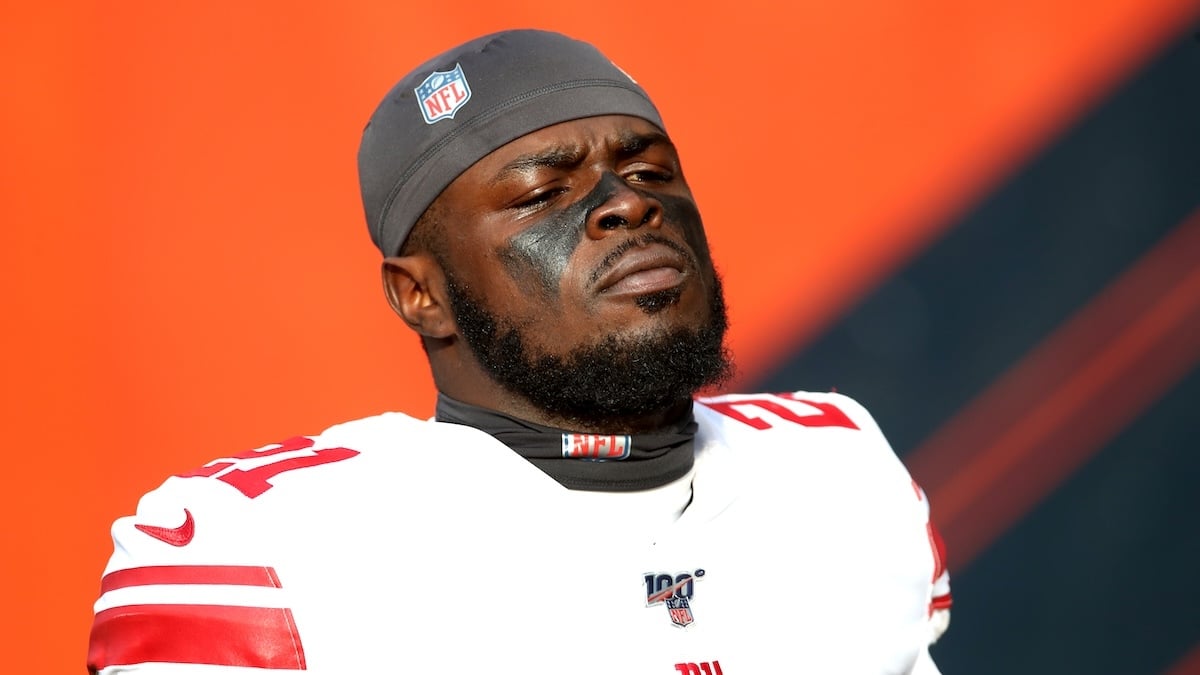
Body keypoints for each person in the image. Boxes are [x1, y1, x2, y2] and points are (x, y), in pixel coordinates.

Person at [87, 29, 952, 674]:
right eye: (544, 192)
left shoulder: (841, 470)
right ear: (419, 294)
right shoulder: (262, 551)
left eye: (651, 173)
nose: (624, 205)